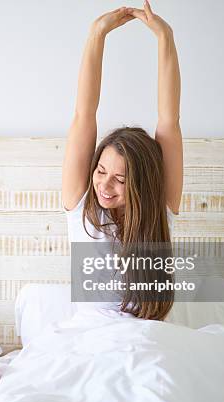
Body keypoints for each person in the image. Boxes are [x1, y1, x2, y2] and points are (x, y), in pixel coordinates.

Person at [63, 1, 182, 320]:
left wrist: (165, 37)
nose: (104, 184)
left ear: (142, 184)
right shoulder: (82, 207)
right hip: (91, 341)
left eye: (120, 179)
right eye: (101, 171)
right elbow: (83, 114)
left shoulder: (159, 212)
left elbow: (169, 121)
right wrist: (97, 34)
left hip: (146, 341)